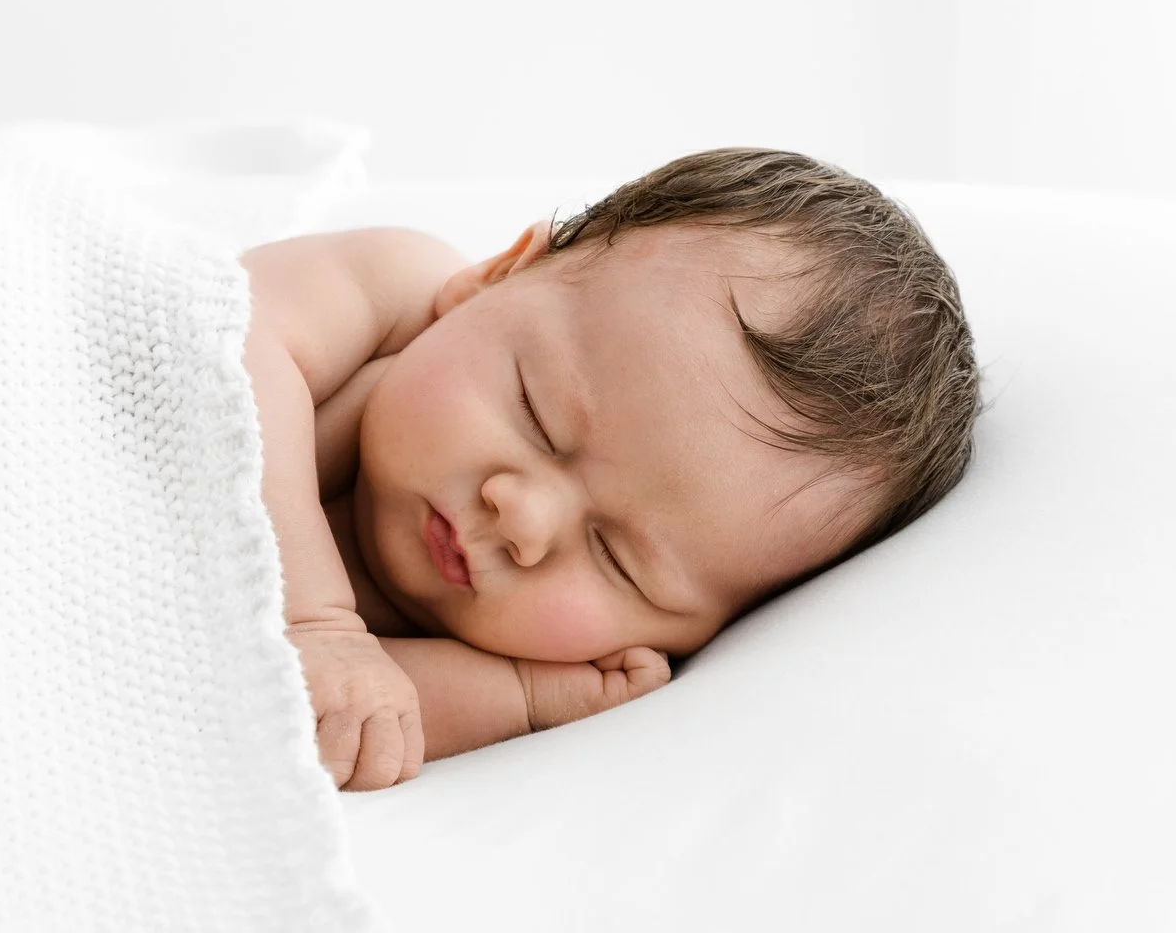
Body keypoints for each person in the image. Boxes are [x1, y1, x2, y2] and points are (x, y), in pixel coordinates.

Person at [240, 147, 980, 792]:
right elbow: (220, 342)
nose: (524, 519)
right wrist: (317, 620)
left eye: (617, 559)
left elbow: (327, 717)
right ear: (499, 276)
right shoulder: (390, 288)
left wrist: (524, 699)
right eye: (537, 412)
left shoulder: (490, 656)